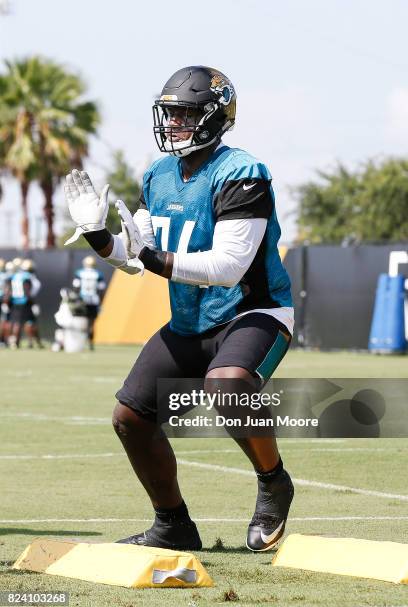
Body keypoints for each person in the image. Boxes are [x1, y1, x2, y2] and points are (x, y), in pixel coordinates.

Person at [64, 66, 294, 552]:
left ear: (216, 116)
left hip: (253, 312)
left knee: (228, 383)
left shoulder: (241, 172)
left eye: (187, 113)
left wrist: (149, 256)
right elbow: (134, 260)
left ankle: (273, 480)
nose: (174, 124)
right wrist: (98, 236)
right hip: (191, 320)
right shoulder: (157, 174)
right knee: (130, 416)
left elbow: (230, 265)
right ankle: (173, 524)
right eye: (170, 113)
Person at [72, 256, 106, 350]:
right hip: (94, 301)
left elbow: (76, 287)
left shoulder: (79, 273)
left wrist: (75, 299)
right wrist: (101, 303)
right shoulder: (98, 274)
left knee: (81, 323)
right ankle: (90, 344)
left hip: (82, 300)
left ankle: (81, 343)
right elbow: (101, 290)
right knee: (91, 324)